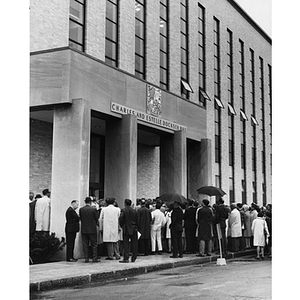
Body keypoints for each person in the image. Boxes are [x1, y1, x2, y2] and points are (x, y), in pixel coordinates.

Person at [79, 196, 99, 263]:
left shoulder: (81, 209)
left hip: (84, 228)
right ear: (90, 202)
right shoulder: (93, 209)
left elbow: (81, 218)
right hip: (92, 228)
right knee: (94, 244)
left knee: (85, 244)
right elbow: (96, 218)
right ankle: (94, 258)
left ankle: (86, 258)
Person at [119, 199, 139, 263]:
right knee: (134, 243)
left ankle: (126, 257)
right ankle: (134, 257)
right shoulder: (134, 211)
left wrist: (122, 226)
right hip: (134, 228)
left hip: (126, 228)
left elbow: (121, 219)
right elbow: (138, 220)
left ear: (125, 203)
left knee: (126, 244)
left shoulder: (123, 210)